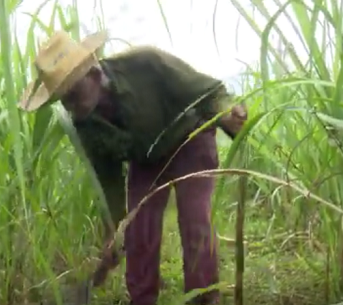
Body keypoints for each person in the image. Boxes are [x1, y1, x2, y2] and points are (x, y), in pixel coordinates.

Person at [19, 30, 248, 305]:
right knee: (138, 229)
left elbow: (209, 91)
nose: (71, 106)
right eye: (63, 99)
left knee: (195, 219)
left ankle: (204, 298)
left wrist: (228, 113)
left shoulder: (146, 63)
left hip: (190, 139)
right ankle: (141, 299)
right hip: (147, 159)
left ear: (92, 75)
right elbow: (109, 178)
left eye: (74, 93)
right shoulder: (86, 122)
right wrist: (115, 230)